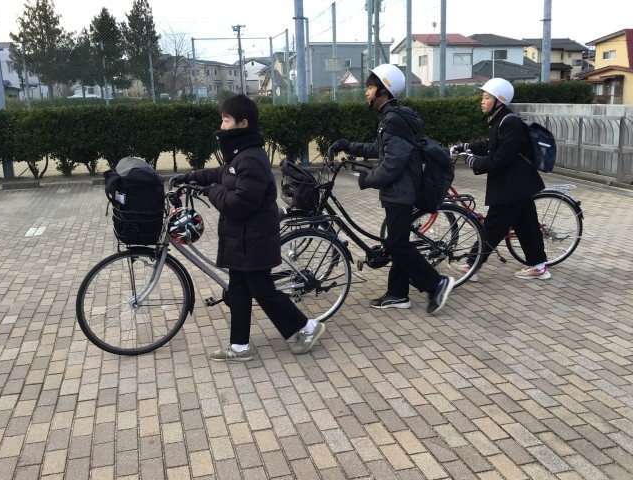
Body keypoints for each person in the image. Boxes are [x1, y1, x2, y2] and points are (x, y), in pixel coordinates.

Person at [170, 94, 325, 362]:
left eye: (226, 120)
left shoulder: (251, 159)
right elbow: (220, 174)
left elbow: (239, 203)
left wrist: (211, 191)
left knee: (262, 290)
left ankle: (307, 327)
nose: (222, 125)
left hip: (254, 239)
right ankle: (239, 347)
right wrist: (189, 178)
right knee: (239, 291)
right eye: (222, 119)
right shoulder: (239, 155)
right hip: (242, 238)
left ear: (243, 123)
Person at [328, 64, 454, 314]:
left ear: (384, 90)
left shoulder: (393, 119)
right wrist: (347, 145)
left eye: (370, 87)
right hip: (398, 191)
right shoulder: (389, 117)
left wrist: (367, 179)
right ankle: (398, 294)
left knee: (397, 244)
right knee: (397, 242)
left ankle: (436, 283)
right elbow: (378, 149)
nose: (366, 92)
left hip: (401, 192)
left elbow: (393, 164)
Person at [451, 78, 550, 281]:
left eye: (487, 97)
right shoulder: (500, 119)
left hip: (512, 186)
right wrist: (465, 147)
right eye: (483, 97)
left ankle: (472, 265)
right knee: (527, 227)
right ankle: (539, 266)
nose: (482, 101)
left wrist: (474, 162)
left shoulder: (509, 122)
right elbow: (490, 145)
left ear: (499, 100)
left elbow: (501, 158)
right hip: (517, 185)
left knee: (493, 227)